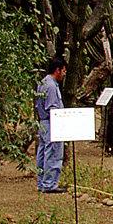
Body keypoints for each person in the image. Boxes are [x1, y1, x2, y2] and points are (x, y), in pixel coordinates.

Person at [35, 57, 67, 193]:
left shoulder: (43, 83)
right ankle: (49, 184)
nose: (65, 74)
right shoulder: (52, 86)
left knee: (43, 152)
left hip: (43, 123)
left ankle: (42, 182)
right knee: (53, 153)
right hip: (52, 122)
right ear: (57, 70)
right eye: (64, 71)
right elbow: (53, 108)